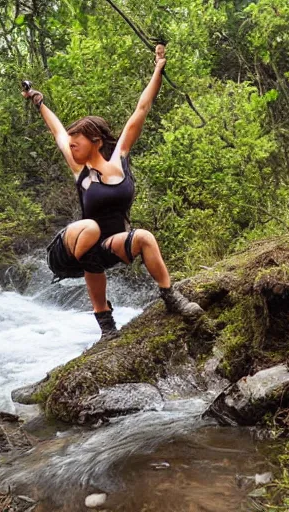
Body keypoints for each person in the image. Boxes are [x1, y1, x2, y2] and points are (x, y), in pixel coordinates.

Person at [22, 44, 202, 341]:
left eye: (76, 142)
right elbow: (56, 131)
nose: (71, 146)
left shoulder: (119, 159)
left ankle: (172, 298)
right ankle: (106, 325)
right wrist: (38, 102)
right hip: (70, 249)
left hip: (109, 247)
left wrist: (158, 68)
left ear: (94, 140)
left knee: (144, 237)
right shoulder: (79, 170)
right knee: (91, 228)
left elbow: (141, 109)